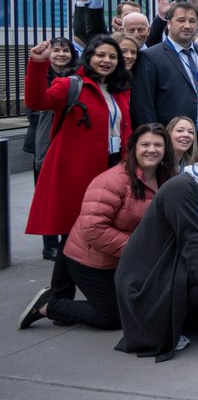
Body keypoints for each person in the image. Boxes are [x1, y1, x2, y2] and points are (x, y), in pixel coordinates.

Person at [19, 124, 177, 332]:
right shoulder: (112, 181)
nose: (152, 149)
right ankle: (50, 306)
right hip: (90, 259)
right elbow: (93, 229)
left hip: (123, 259)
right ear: (133, 148)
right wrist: (137, 247)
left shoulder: (166, 178)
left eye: (158, 145)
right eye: (145, 144)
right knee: (114, 318)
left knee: (142, 308)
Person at [115, 135, 198, 361]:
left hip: (176, 260)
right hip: (151, 273)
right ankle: (163, 319)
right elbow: (189, 237)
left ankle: (182, 315)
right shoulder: (182, 187)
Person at [25, 37, 133, 293]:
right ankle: (59, 295)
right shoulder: (70, 85)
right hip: (77, 171)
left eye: (112, 57)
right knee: (75, 231)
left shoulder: (120, 89)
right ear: (89, 57)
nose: (106, 61)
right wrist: (38, 64)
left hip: (112, 166)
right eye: (100, 55)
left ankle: (73, 294)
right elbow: (37, 101)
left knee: (101, 229)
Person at [25, 36, 79, 259]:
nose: (61, 55)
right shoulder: (40, 77)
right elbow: (34, 109)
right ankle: (50, 244)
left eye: (65, 51)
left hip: (67, 142)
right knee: (45, 193)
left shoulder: (76, 78)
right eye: (57, 50)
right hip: (43, 142)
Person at [131, 1, 198, 132]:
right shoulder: (150, 57)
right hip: (169, 137)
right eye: (181, 20)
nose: (187, 26)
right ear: (169, 24)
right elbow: (144, 105)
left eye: (192, 21)